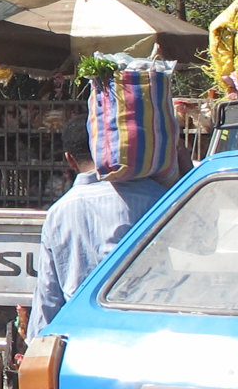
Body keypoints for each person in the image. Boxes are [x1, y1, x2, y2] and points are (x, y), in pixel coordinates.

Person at [28, 115, 167, 337]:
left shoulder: (59, 212)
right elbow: (204, 243)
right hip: (144, 332)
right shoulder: (155, 197)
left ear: (70, 160)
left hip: (81, 337)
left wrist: (37, 343)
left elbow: (48, 292)